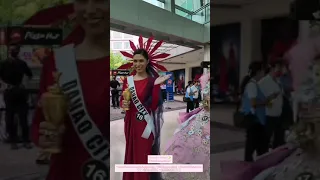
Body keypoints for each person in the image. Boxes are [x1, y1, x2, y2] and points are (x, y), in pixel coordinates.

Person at [27, 1, 109, 180]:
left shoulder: (131, 65)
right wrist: (44, 136)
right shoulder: (58, 61)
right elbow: (38, 122)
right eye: (81, 1)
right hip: (65, 172)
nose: (90, 10)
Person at [118, 36, 171, 180]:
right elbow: (123, 100)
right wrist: (124, 103)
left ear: (147, 62)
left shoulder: (152, 81)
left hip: (145, 125)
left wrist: (155, 86)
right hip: (130, 123)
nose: (137, 64)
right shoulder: (128, 81)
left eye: (141, 60)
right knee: (132, 154)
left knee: (144, 156)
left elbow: (154, 105)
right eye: (135, 61)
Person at [163, 73, 210, 180]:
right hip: (204, 117)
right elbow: (206, 103)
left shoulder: (206, 83)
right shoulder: (206, 83)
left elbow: (205, 102)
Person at [240, 61, 277, 162]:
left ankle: (253, 167)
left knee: (256, 147)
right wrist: (267, 100)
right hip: (255, 121)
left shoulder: (254, 84)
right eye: (262, 71)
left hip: (256, 121)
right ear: (258, 72)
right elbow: (253, 103)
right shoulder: (252, 85)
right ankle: (251, 168)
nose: (263, 73)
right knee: (258, 147)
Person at [0, 45, 33, 149]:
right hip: (13, 91)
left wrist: (23, 83)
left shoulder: (19, 63)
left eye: (14, 50)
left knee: (20, 117)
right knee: (13, 117)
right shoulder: (5, 64)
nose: (13, 51)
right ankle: (16, 140)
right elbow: (29, 75)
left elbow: (29, 74)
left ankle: (22, 140)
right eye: (12, 50)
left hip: (16, 91)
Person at [259, 60, 285, 149]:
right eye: (278, 68)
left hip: (278, 114)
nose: (280, 70)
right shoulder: (263, 82)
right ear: (272, 68)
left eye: (281, 68)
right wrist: (271, 97)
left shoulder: (278, 81)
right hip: (268, 115)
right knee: (265, 140)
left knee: (279, 140)